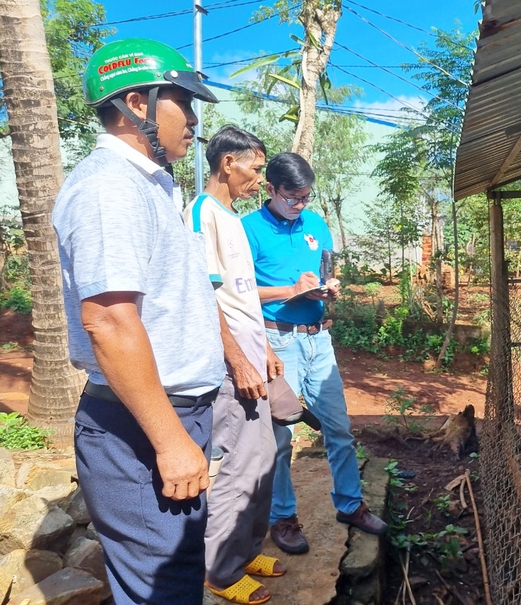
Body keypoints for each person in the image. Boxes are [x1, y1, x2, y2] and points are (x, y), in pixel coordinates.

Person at [52, 39, 226, 605]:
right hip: (141, 427)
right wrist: (171, 440)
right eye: (186, 103)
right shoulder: (109, 188)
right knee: (163, 590)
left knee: (173, 575)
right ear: (138, 103)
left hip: (161, 417)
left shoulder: (150, 183)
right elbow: (107, 320)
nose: (195, 121)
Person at [242, 152, 387, 555]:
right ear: (270, 190)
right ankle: (283, 517)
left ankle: (350, 504)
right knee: (281, 437)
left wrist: (328, 287)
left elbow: (325, 271)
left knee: (338, 427)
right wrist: (289, 291)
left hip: (317, 339)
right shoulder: (247, 230)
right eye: (292, 197)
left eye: (306, 196)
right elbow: (235, 295)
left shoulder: (316, 223)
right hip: (276, 342)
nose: (300, 205)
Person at [183, 125, 287, 605]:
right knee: (241, 464)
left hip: (250, 352)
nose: (259, 179)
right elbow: (205, 298)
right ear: (229, 163)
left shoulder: (231, 216)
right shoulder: (203, 213)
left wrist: (263, 348)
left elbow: (241, 297)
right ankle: (219, 571)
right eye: (257, 168)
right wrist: (239, 361)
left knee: (263, 456)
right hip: (230, 364)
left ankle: (245, 552)